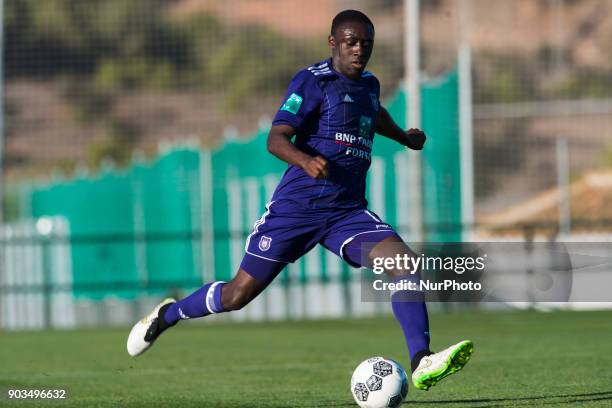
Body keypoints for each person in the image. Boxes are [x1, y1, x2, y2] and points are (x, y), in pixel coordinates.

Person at [127, 9, 473, 391]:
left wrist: (403, 138)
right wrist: (305, 160)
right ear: (333, 42)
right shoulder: (312, 81)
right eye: (351, 42)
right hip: (296, 210)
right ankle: (169, 314)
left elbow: (373, 114)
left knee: (403, 262)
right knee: (237, 295)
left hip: (346, 212)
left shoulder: (369, 85)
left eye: (366, 44)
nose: (360, 50)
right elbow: (275, 139)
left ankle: (421, 360)